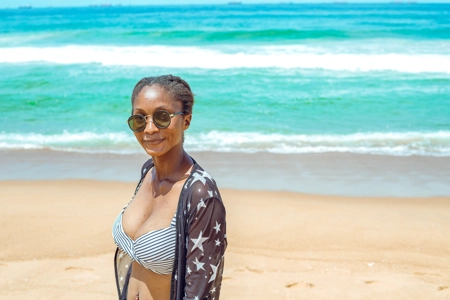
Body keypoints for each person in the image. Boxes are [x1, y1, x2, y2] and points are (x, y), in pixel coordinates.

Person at [112, 75, 227, 300]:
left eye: (162, 117)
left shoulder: (201, 194)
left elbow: (201, 292)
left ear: (186, 120)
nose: (150, 128)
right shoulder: (148, 172)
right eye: (139, 119)